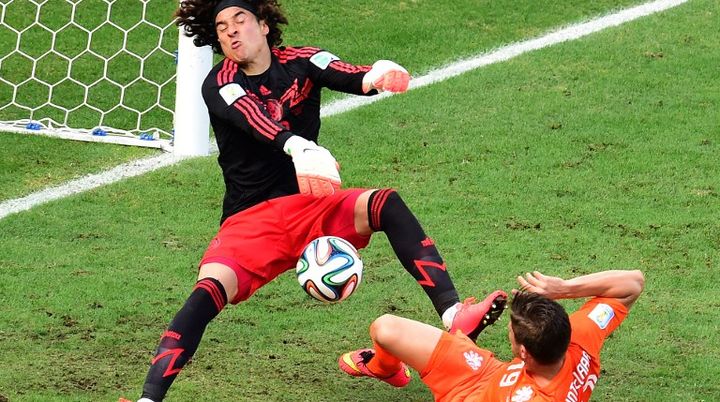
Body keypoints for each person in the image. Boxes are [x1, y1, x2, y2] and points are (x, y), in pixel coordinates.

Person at [121, 1, 499, 401]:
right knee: (207, 292)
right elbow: (254, 118)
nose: (231, 32)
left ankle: (453, 315)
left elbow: (342, 71)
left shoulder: (301, 61)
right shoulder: (219, 83)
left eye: (240, 20)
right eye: (221, 27)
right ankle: (149, 399)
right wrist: (299, 146)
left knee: (384, 203)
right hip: (250, 222)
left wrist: (376, 75)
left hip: (310, 208)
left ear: (263, 25)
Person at [339, 269, 645, 401]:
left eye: (511, 332)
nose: (508, 331)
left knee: (387, 329)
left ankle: (462, 335)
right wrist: (565, 288)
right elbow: (633, 283)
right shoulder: (580, 338)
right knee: (385, 328)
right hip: (484, 372)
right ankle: (385, 368)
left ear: (523, 351)